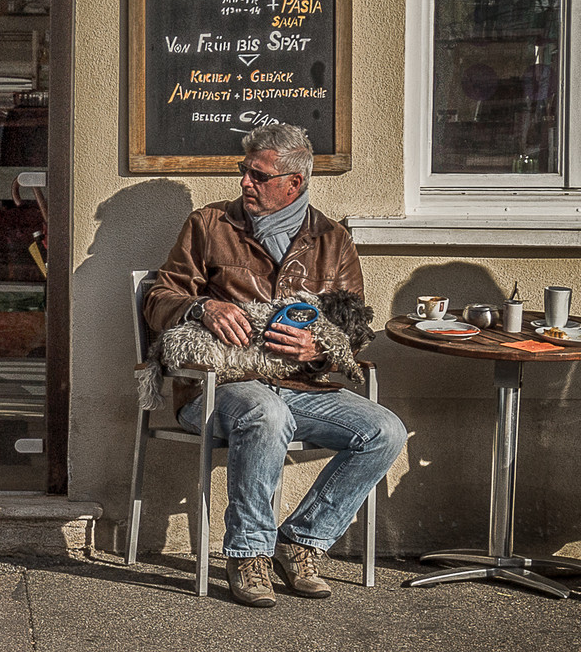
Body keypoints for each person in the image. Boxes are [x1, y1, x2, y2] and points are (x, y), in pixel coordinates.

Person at [140, 123, 402, 608]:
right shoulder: (209, 224)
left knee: (385, 431)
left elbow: (354, 325)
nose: (244, 182)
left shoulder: (333, 239)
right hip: (218, 387)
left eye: (257, 175)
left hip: (303, 385)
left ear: (293, 183)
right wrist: (202, 308)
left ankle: (300, 541)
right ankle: (248, 553)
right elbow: (158, 297)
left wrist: (317, 350)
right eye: (244, 171)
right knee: (266, 412)